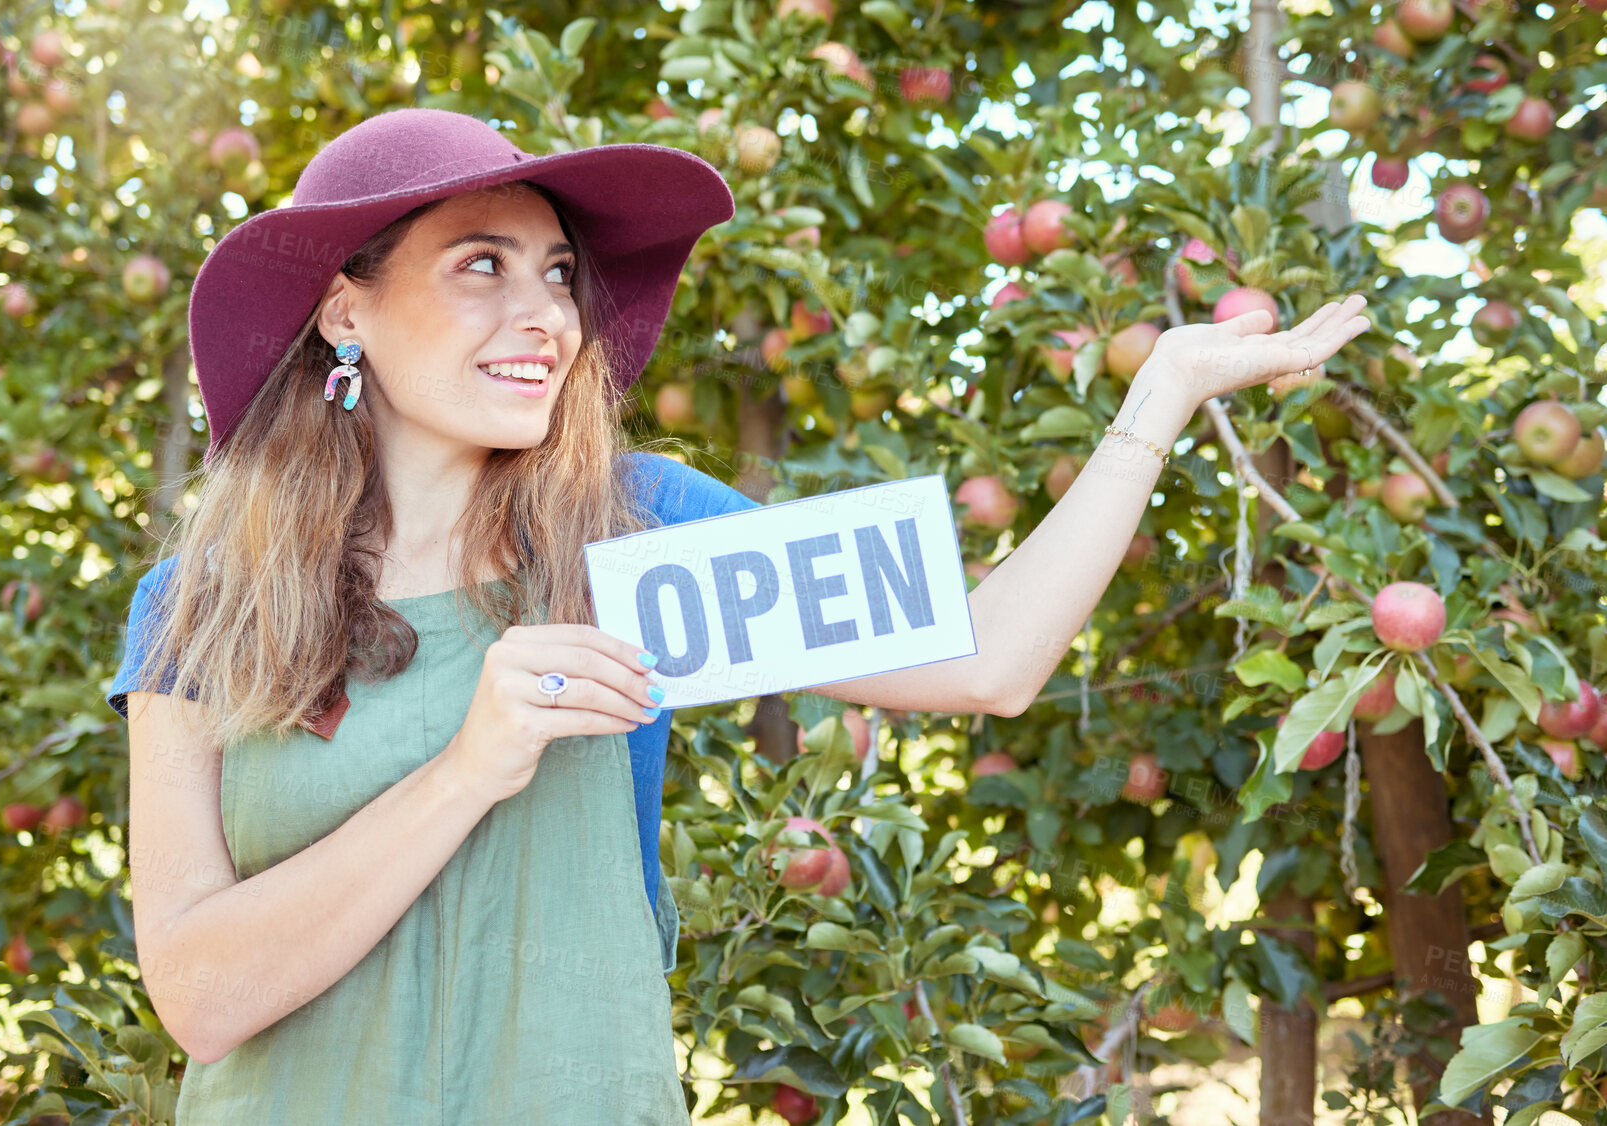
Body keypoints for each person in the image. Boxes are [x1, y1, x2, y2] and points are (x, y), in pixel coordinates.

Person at [108, 107, 1371, 1122]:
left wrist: (1154, 399)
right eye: (479, 265)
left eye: (557, 273)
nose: (543, 313)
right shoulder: (200, 608)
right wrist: (467, 769)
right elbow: (201, 997)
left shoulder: (633, 533)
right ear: (345, 309)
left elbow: (988, 661)